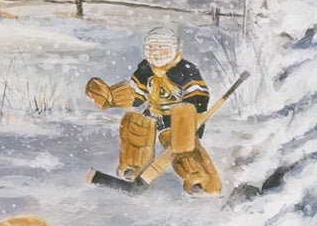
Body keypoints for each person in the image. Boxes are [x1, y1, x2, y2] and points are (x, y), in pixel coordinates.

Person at [85, 24, 222, 194]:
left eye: (161, 48)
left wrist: (188, 115)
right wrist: (113, 97)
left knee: (180, 145)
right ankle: (133, 166)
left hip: (180, 119)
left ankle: (199, 178)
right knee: (135, 124)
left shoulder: (185, 70)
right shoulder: (146, 69)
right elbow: (136, 93)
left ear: (173, 49)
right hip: (156, 113)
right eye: (150, 48)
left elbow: (198, 95)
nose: (155, 53)